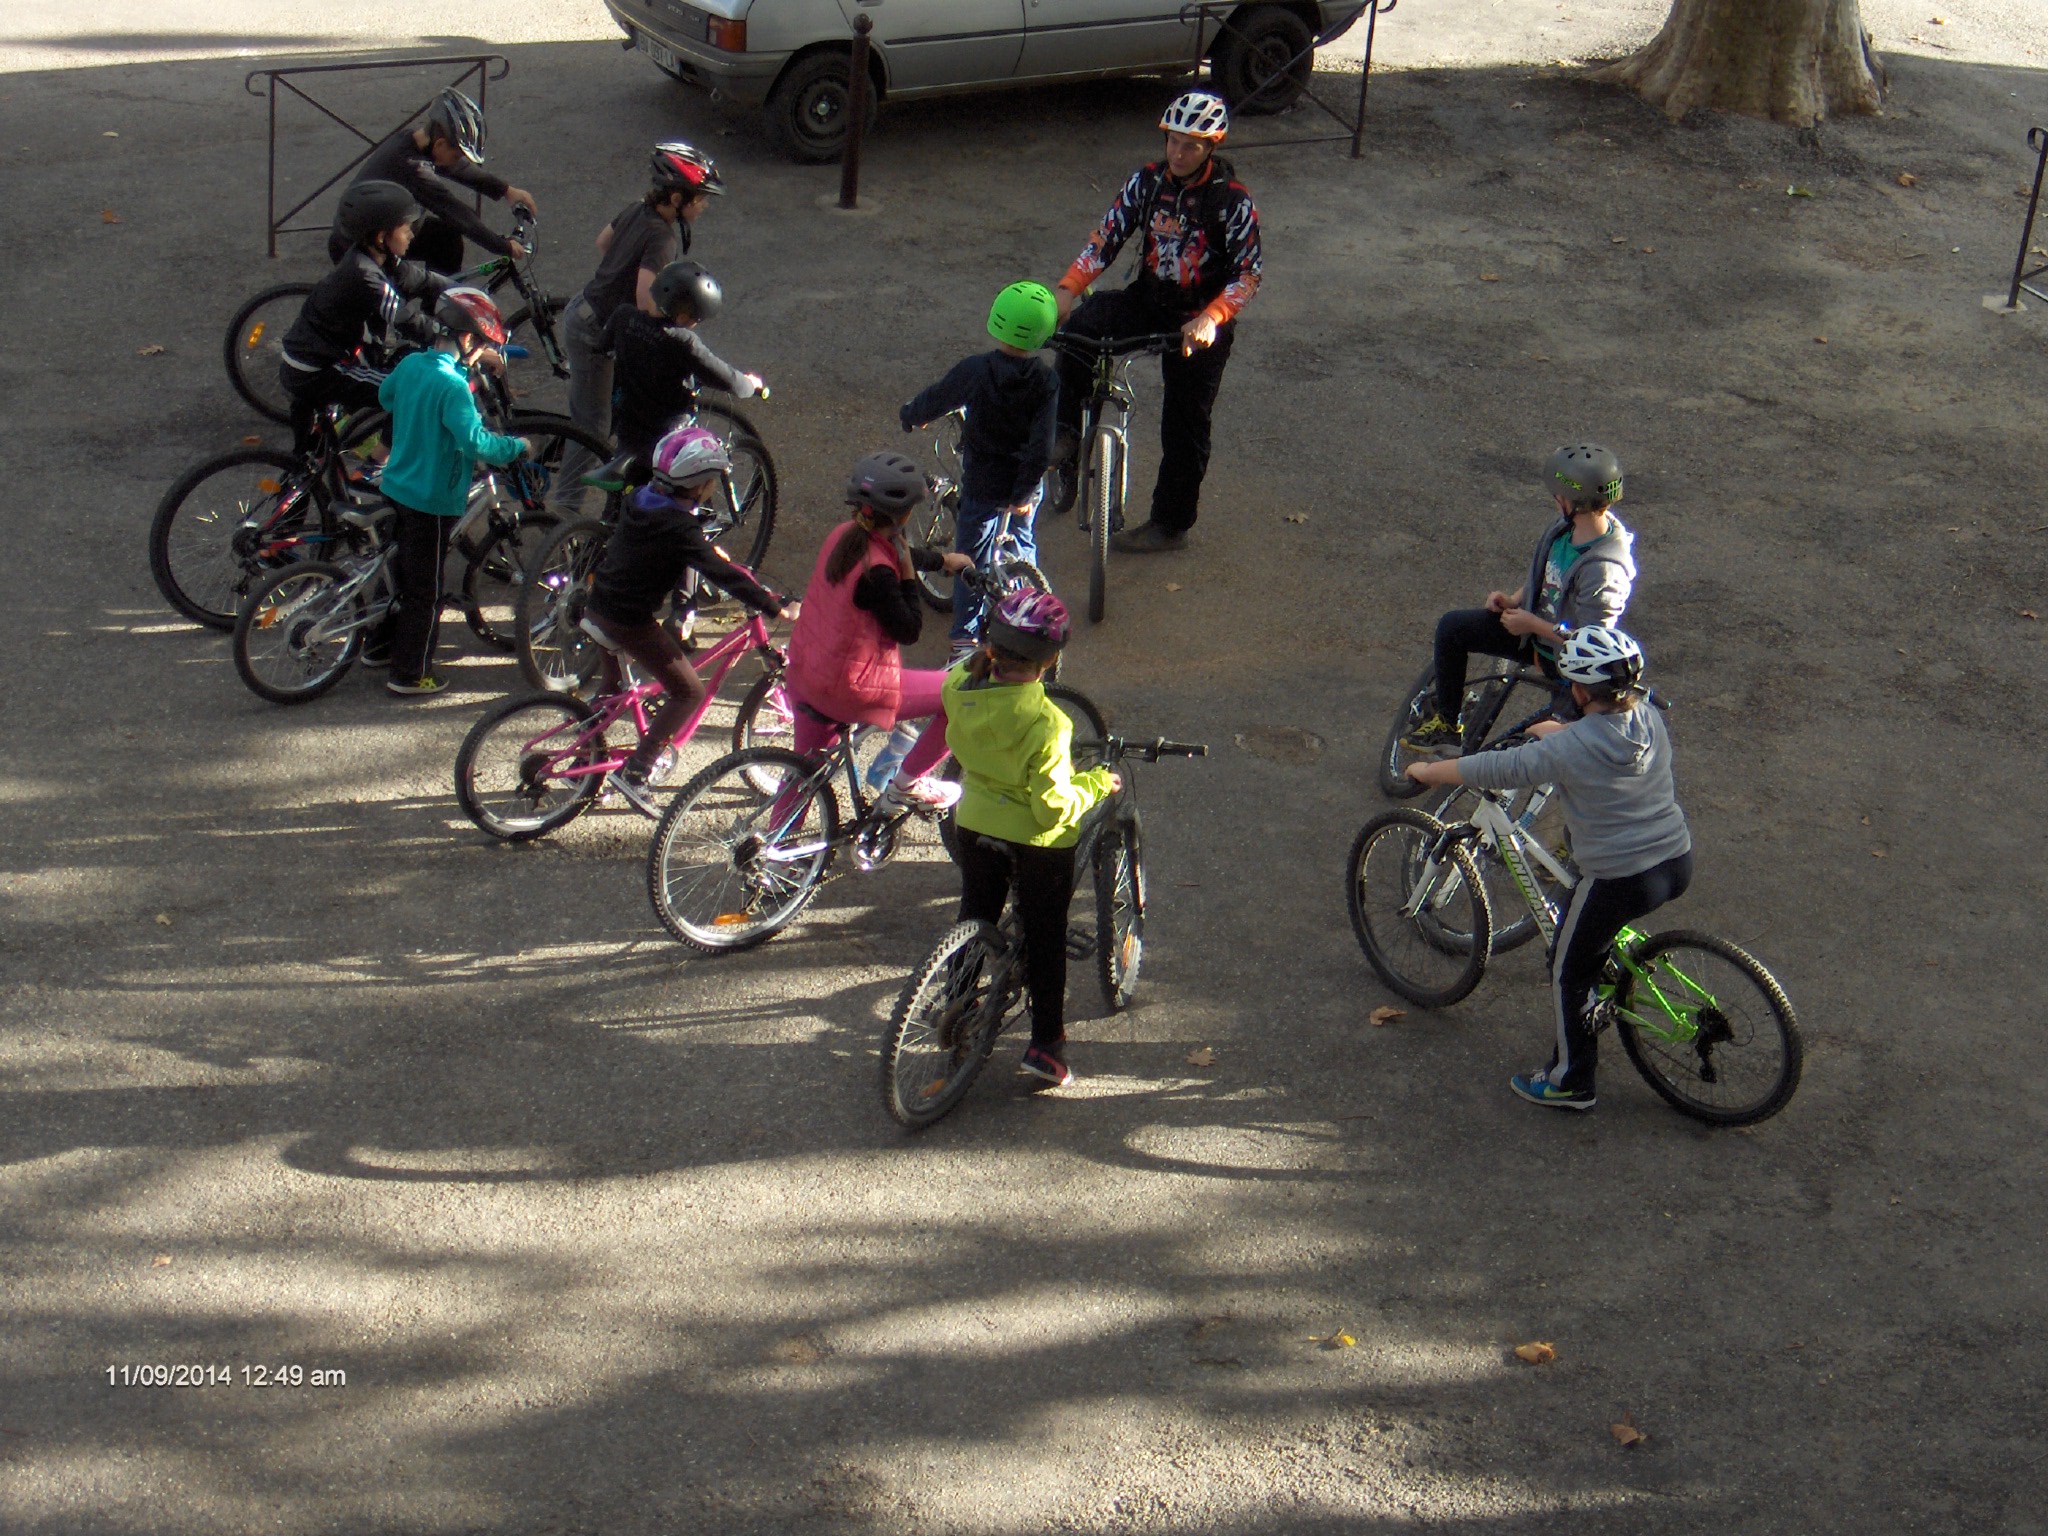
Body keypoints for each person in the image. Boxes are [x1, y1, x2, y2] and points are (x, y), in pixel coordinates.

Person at [1405, 627, 1692, 1112]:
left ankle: (1570, 1081)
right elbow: (1600, 741)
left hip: (1619, 876)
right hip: (1674, 860)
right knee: (1592, 940)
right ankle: (1600, 986)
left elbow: (1498, 770)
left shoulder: (1568, 749)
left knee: (1565, 968)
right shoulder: (1646, 716)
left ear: (1579, 691)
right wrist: (1558, 734)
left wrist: (1429, 772)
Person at [1048, 89, 1261, 553]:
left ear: (1211, 148)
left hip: (1200, 317)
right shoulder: (1146, 183)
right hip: (1149, 299)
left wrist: (1211, 317)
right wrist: (1067, 290)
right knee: (1078, 331)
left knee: (1186, 423)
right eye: (1173, 142)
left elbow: (1248, 275)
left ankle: (1170, 524)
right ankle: (1064, 435)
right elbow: (1106, 239)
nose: (1178, 153)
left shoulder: (1232, 201)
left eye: (1191, 145)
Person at [942, 590, 1119, 1086]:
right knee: (1045, 937)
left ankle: (953, 1002)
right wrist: (1098, 783)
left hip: (974, 820)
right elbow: (1052, 806)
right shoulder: (1047, 723)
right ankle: (1045, 1046)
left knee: (975, 910)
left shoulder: (959, 683)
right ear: (1050, 661)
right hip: (1036, 841)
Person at [582, 425, 796, 814]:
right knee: (689, 693)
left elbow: (676, 546)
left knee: (612, 689)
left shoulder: (642, 500)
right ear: (698, 486)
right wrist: (770, 604)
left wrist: (702, 549)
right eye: (713, 481)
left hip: (598, 606)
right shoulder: (681, 529)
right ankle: (637, 772)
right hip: (629, 620)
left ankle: (583, 752)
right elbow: (719, 572)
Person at [1405, 444, 1637, 754]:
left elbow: (1592, 641)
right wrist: (1514, 601)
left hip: (1568, 664)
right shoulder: (1565, 530)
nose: (1556, 501)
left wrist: (1534, 625)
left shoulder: (1605, 572)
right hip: (1532, 633)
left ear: (1571, 501)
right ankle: (1447, 725)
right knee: (1453, 628)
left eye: (1559, 495)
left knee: (1546, 746)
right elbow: (1545, 574)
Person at [782, 452, 972, 817]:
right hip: (850, 688)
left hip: (808, 673)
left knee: (802, 777)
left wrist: (940, 561)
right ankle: (907, 784)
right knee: (958, 696)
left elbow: (895, 549)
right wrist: (908, 576)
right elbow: (909, 629)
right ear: (904, 515)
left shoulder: (845, 536)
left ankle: (778, 854)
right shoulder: (880, 574)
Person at [371, 287, 529, 696]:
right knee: (426, 591)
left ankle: (379, 644)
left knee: (395, 570)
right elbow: (476, 443)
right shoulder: (454, 388)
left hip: (395, 486)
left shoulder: (410, 365)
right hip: (431, 501)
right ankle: (411, 673)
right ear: (469, 339)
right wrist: (515, 447)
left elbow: (385, 396)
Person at [900, 281, 1061, 661]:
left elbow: (937, 398)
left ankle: (963, 640)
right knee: (1021, 542)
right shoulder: (1046, 381)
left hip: (984, 484)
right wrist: (1023, 492)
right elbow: (1041, 447)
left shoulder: (976, 370)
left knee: (971, 560)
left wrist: (911, 415)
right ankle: (1027, 611)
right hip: (1024, 486)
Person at [559, 143, 726, 488]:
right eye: (699, 197)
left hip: (583, 309)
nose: (704, 205)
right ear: (678, 199)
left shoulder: (638, 209)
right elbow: (647, 301)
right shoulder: (662, 237)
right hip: (595, 328)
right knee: (592, 428)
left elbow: (603, 241)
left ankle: (560, 445)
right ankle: (564, 512)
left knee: (592, 409)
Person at [279, 180, 448, 458]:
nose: (411, 235)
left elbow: (425, 281)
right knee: (409, 389)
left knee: (308, 461)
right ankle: (376, 464)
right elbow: (406, 320)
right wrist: (454, 338)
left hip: (315, 358)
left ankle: (307, 477)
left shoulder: (378, 259)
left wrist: (467, 299)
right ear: (382, 236)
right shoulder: (364, 275)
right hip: (318, 372)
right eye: (405, 228)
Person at [326, 88, 536, 274]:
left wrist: (506, 190)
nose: (458, 161)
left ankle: (438, 308)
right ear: (441, 144)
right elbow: (456, 213)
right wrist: (503, 246)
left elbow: (456, 168)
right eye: (457, 154)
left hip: (390, 232)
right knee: (397, 307)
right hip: (361, 247)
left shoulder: (414, 141)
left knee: (447, 240)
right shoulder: (412, 167)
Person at [600, 260, 764, 463]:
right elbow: (727, 379)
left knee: (627, 481)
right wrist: (750, 384)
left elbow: (603, 346)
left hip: (628, 425)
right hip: (667, 434)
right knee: (689, 483)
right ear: (683, 317)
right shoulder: (683, 342)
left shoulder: (623, 316)